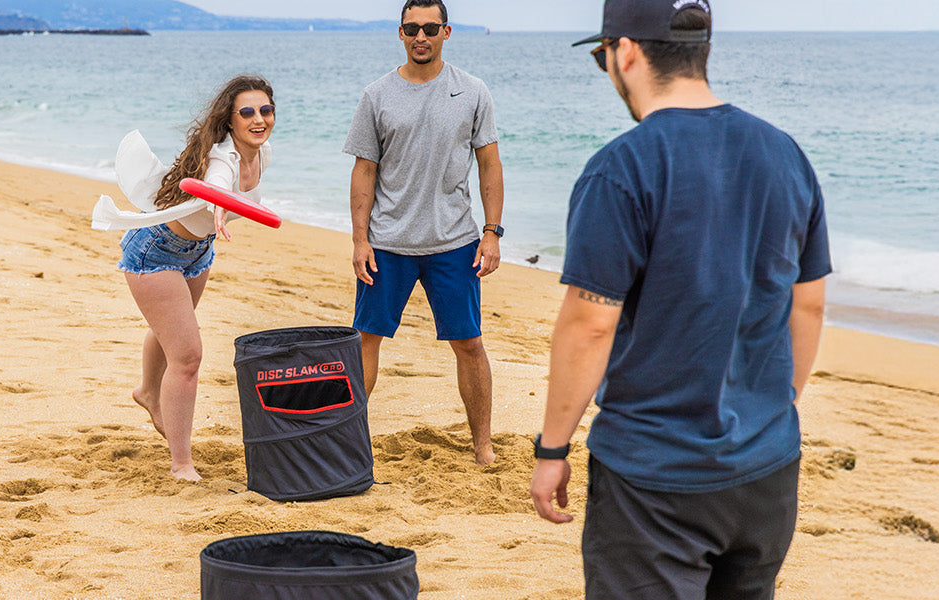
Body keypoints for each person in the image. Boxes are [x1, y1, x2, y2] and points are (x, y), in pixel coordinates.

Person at [526, 1, 831, 598]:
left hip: (654, 476)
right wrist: (770, 406)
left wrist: (552, 448)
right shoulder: (785, 154)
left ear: (627, 52)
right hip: (765, 468)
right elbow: (809, 305)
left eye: (601, 56)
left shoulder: (622, 168)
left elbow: (589, 324)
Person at [92, 75, 277, 481]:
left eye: (265, 110)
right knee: (188, 356)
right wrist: (218, 205)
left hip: (198, 251)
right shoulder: (222, 158)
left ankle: (147, 392)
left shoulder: (262, 155)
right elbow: (216, 185)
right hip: (155, 248)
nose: (258, 119)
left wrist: (220, 215)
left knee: (169, 333)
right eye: (246, 112)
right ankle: (181, 464)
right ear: (229, 120)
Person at [344, 0, 504, 465]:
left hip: (455, 243)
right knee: (365, 338)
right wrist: (359, 240)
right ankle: (350, 442)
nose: (421, 36)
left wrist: (491, 233)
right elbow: (364, 170)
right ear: (399, 32)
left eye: (430, 28)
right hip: (387, 244)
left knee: (470, 343)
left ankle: (483, 447)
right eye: (412, 28)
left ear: (446, 32)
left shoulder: (472, 91)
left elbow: (489, 164)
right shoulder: (377, 95)